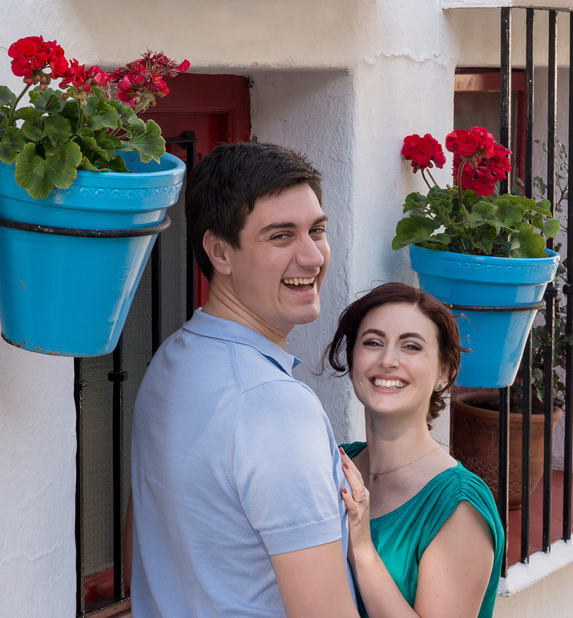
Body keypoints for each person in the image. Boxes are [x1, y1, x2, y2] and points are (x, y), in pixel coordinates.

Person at [130, 142, 360, 617]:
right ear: (220, 252)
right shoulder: (272, 404)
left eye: (317, 230)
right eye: (281, 236)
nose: (313, 256)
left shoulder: (173, 359)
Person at [324, 282, 505, 618]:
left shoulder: (458, 504)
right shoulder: (335, 463)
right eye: (373, 342)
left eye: (411, 346)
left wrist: (362, 549)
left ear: (445, 373)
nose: (388, 360)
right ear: (353, 359)